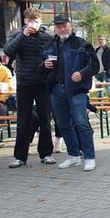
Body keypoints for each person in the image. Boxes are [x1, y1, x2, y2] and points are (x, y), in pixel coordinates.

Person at [41, 14, 99, 171]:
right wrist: (44, 65)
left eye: (64, 26)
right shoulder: (50, 45)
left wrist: (82, 73)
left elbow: (95, 65)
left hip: (76, 90)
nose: (61, 29)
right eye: (58, 27)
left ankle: (89, 157)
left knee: (81, 123)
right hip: (56, 88)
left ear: (71, 25)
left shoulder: (82, 44)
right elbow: (40, 68)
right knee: (63, 124)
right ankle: (73, 156)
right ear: (55, 29)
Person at [3, 7, 56, 168]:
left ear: (41, 22)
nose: (34, 24)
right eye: (31, 21)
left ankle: (46, 154)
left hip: (42, 83)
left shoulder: (46, 37)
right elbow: (7, 51)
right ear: (25, 21)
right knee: (23, 121)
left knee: (45, 120)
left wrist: (47, 64)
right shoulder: (17, 36)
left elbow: (53, 56)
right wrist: (23, 34)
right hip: (24, 83)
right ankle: (20, 156)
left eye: (37, 21)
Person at [0, 53, 15, 143]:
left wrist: (2, 101)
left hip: (0, 99)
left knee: (2, 109)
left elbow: (9, 87)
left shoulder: (5, 71)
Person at [95, 35, 110, 99]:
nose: (100, 41)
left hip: (105, 73)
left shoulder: (108, 50)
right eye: (99, 39)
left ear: (105, 40)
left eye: (102, 39)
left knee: (108, 88)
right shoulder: (97, 50)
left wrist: (106, 70)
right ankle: (100, 105)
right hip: (98, 72)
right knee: (99, 90)